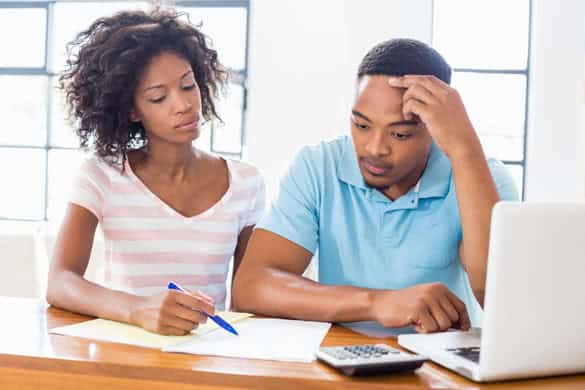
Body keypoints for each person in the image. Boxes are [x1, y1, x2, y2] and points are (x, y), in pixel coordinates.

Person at [232, 38, 518, 332]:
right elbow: (251, 286)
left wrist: (465, 150)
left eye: (400, 135)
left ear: (435, 129)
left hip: (439, 368)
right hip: (340, 360)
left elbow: (499, 298)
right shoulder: (318, 166)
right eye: (362, 125)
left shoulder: (482, 175)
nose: (374, 148)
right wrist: (377, 303)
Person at [47, 8, 265, 336]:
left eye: (188, 86)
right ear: (132, 110)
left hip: (208, 360)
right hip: (123, 361)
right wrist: (137, 309)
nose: (183, 105)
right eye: (158, 97)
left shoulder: (246, 183)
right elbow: (60, 282)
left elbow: (248, 299)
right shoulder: (101, 176)